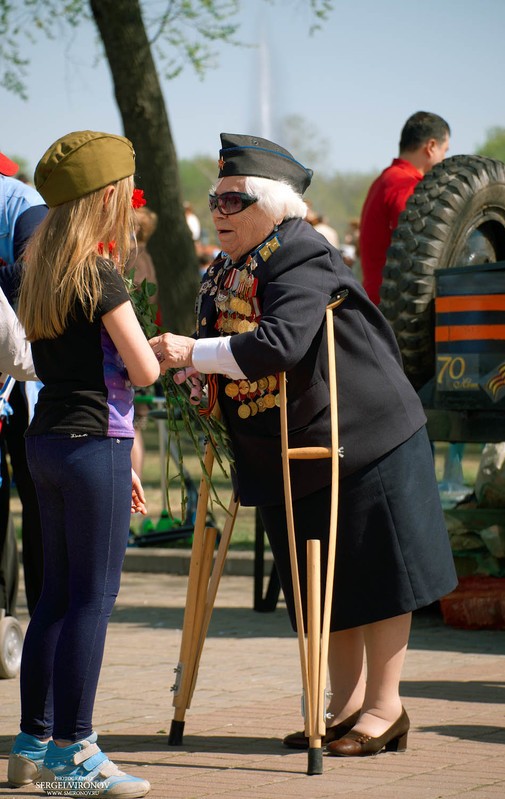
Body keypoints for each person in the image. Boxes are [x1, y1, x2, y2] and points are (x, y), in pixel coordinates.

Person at [149, 133, 458, 757]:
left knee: (378, 577)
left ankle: (384, 708)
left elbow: (282, 341)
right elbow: (228, 346)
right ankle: (341, 709)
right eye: (214, 199)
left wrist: (194, 352)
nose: (217, 211)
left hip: (366, 438)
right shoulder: (228, 266)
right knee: (324, 583)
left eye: (232, 201)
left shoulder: (300, 252)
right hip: (295, 448)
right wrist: (198, 374)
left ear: (268, 204)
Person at [8, 130, 159, 797]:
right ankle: (77, 750)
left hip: (46, 441)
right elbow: (144, 370)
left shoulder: (33, 267)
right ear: (106, 198)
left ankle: (32, 740)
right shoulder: (99, 273)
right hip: (94, 441)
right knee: (92, 599)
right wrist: (167, 351)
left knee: (54, 598)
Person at [0, 149, 48, 616]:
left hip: (26, 379)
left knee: (35, 495)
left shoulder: (21, 200)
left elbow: (32, 273)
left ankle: (42, 612)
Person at [359, 111, 450, 305]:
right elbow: (422, 244)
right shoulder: (408, 186)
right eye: (445, 151)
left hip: (377, 303)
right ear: (431, 147)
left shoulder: (385, 180)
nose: (444, 159)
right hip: (394, 311)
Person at [125, 205, 160, 479]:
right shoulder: (142, 256)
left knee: (132, 424)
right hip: (137, 340)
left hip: (133, 342)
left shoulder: (136, 257)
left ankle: (131, 482)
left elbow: (136, 300)